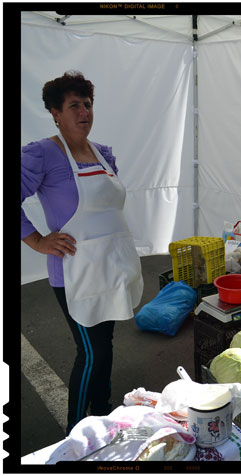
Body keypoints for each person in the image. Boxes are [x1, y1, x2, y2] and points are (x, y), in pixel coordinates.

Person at [21, 71, 144, 434]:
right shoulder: (42, 154)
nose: (84, 111)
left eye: (87, 104)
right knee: (92, 352)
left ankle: (102, 411)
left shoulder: (102, 154)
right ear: (55, 112)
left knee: (104, 344)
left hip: (111, 268)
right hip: (74, 273)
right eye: (74, 105)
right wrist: (38, 240)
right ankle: (74, 432)